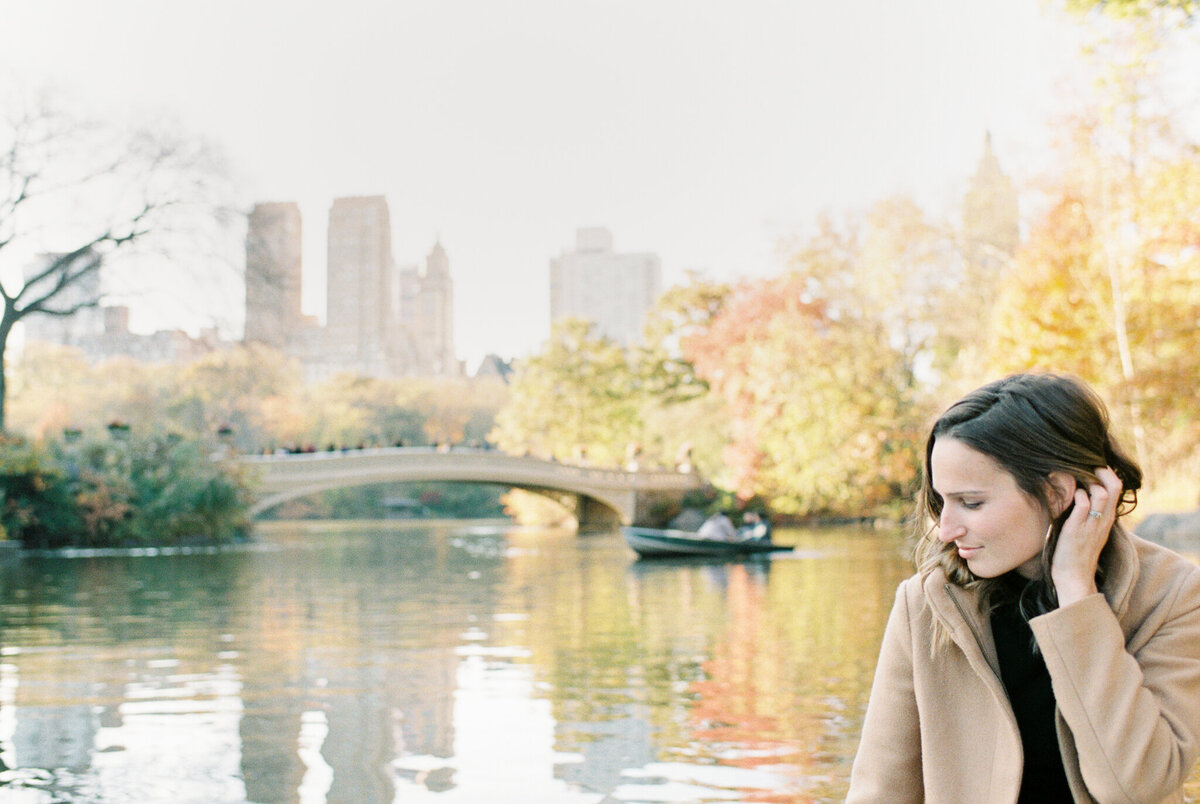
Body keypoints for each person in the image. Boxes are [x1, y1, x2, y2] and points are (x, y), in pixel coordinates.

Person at [847, 373, 1200, 803]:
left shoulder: (1174, 595)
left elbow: (1134, 788)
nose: (946, 530)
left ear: (1056, 493)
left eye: (971, 503)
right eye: (944, 501)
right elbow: (880, 792)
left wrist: (1075, 590)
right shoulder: (926, 603)